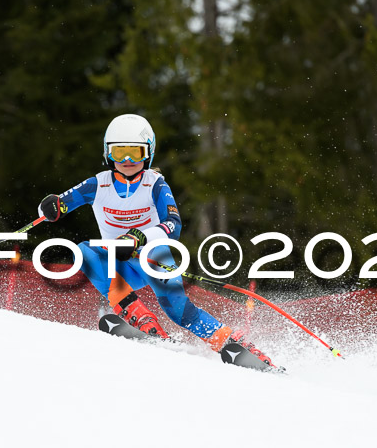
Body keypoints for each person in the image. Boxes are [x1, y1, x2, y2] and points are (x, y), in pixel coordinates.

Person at [38, 114, 273, 365]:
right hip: (119, 265)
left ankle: (231, 343)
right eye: (119, 153)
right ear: (107, 154)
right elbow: (55, 207)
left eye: (135, 153)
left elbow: (173, 224)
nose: (127, 160)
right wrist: (51, 207)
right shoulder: (98, 184)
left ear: (148, 153)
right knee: (84, 252)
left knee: (179, 310)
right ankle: (142, 319)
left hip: (154, 257)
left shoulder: (155, 183)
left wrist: (139, 237)